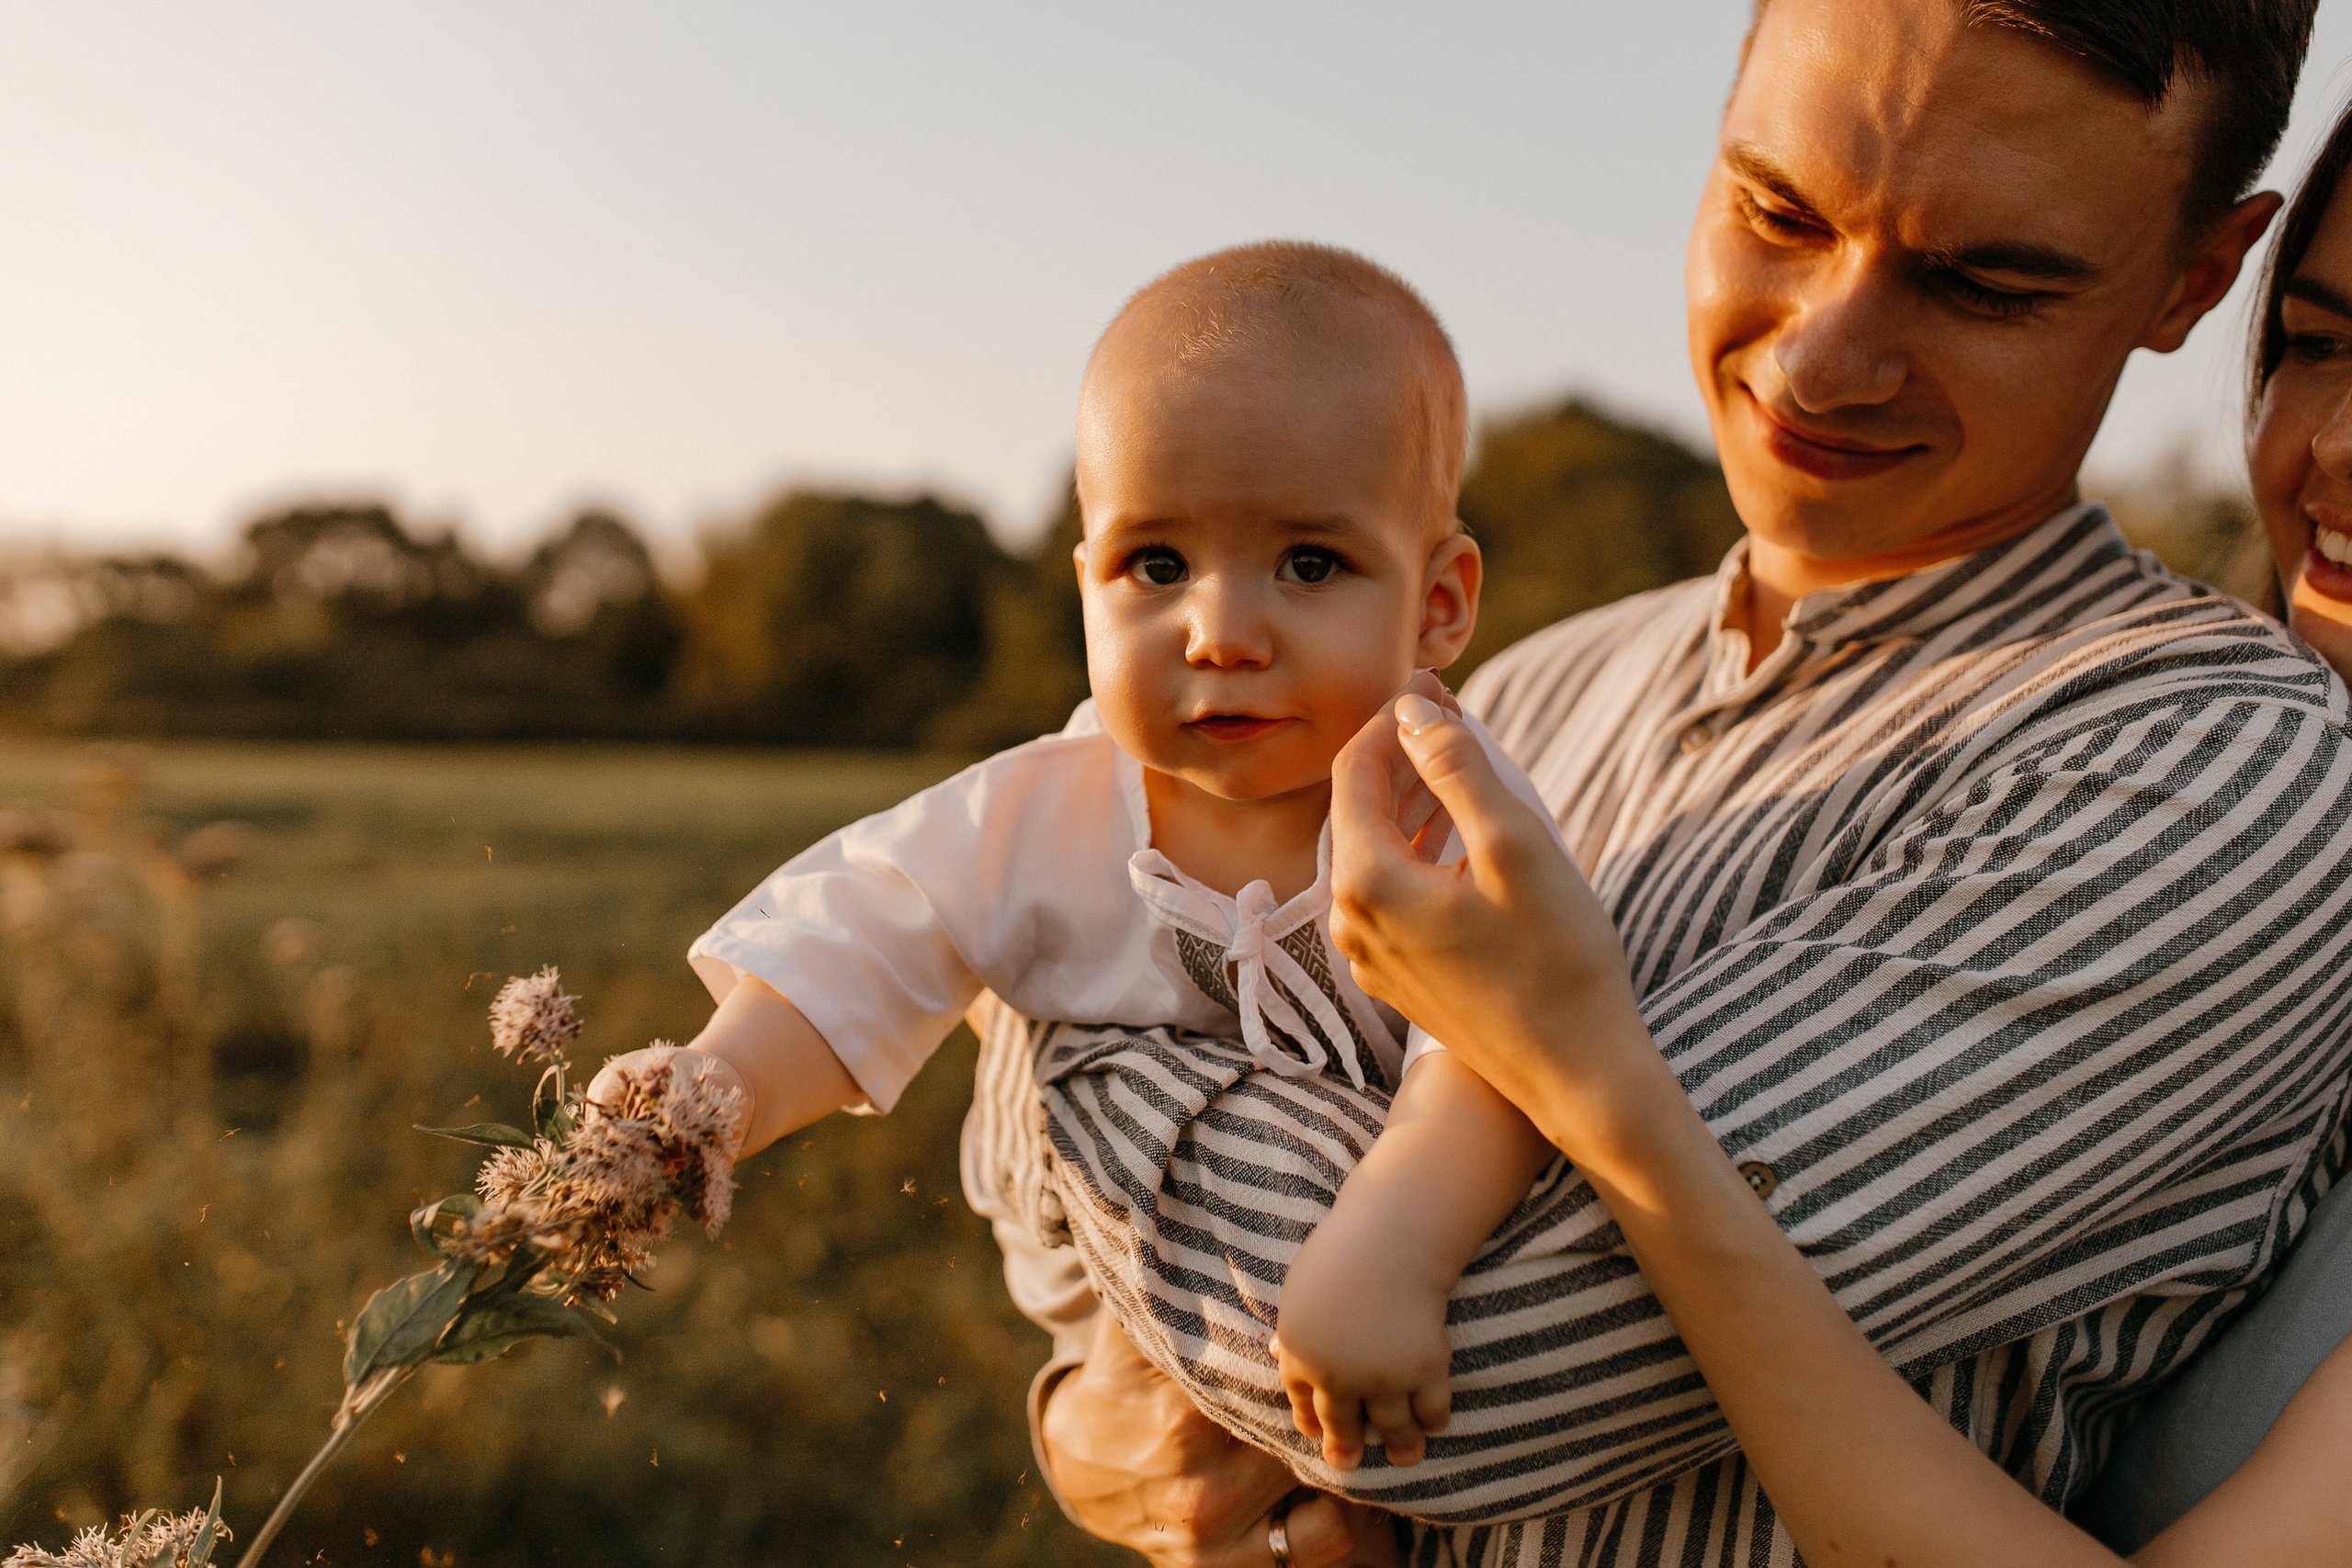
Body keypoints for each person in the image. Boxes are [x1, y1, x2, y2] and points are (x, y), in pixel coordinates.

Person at [995, 1, 2352, 1564]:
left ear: (2197, 276)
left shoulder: (2206, 769)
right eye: (1777, 210)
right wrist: (1102, 1422)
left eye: (1983, 283)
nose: (1824, 361)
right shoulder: (1523, 689)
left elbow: (1481, 1382)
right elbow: (1113, 1298)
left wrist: (1020, 936)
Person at [591, 237, 1568, 1473]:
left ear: (1439, 602)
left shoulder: (1446, 807)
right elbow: (872, 929)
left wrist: (1395, 1247)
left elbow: (1510, 1040)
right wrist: (718, 1087)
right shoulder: (1049, 803)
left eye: (1309, 564)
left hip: (1399, 1300)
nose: (1220, 631)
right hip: (1136, 1314)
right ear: (1086, 587)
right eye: (1155, 565)